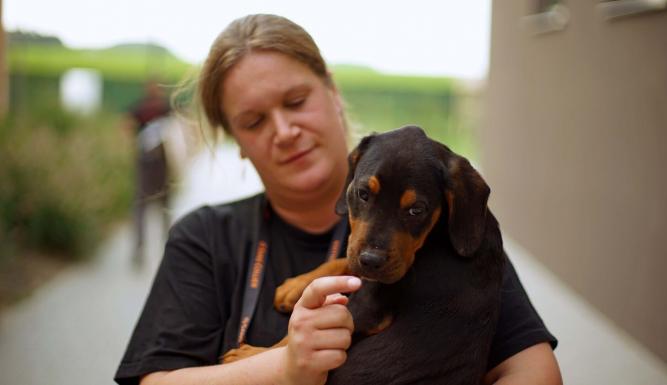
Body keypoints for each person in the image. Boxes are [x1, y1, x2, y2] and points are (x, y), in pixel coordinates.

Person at [115, 14, 561, 385]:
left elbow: (534, 370)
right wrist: (283, 368)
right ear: (237, 141)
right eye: (253, 121)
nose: (284, 130)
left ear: (333, 92)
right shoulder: (205, 239)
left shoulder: (454, 230)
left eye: (296, 100)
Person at [125, 81, 172, 265]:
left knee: (144, 208)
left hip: (148, 163)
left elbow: (126, 125)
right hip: (158, 163)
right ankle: (164, 249)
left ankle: (143, 250)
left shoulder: (142, 107)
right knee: (163, 207)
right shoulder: (164, 106)